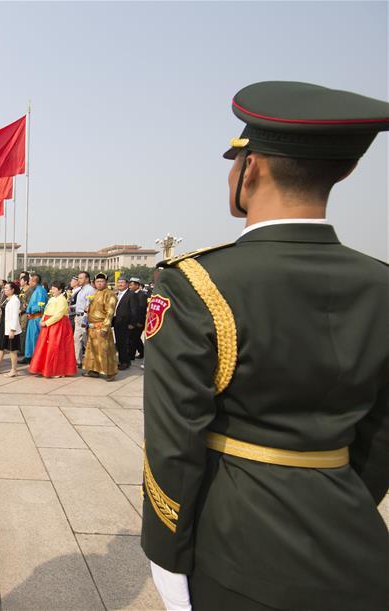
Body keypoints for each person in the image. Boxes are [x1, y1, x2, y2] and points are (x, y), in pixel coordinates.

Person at [141, 81, 389, 611]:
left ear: (250, 170)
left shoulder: (197, 284)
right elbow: (380, 434)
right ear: (343, 171)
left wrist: (166, 555)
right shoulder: (380, 284)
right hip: (357, 544)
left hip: (237, 550)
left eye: (235, 161)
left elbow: (172, 442)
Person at [29, 280, 76, 378]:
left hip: (57, 325)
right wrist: (42, 320)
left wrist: (46, 323)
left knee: (55, 347)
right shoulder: (52, 299)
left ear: (60, 290)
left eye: (54, 289)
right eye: (52, 288)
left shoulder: (62, 300)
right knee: (45, 346)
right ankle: (44, 368)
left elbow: (58, 315)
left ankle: (56, 370)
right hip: (48, 325)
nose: (52, 290)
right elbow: (46, 311)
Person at [81, 273, 118, 380]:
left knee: (105, 350)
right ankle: (94, 370)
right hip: (92, 327)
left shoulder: (110, 294)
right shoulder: (95, 293)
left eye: (102, 281)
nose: (99, 283)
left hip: (101, 326)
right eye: (97, 282)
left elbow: (110, 312)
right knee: (92, 351)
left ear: (106, 282)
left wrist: (105, 327)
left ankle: (110, 372)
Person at [0, 281, 22, 377]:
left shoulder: (15, 300)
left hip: (10, 327)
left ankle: (14, 370)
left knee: (12, 349)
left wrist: (13, 330)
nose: (5, 290)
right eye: (4, 288)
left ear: (12, 290)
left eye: (7, 288)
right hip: (4, 325)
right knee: (1, 346)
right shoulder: (7, 299)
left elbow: (15, 316)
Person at [112, 276, 140, 370]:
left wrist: (132, 323)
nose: (120, 284)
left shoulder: (131, 294)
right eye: (118, 282)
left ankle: (125, 362)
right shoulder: (117, 294)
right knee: (119, 343)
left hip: (126, 323)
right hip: (117, 322)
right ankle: (122, 360)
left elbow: (135, 310)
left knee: (124, 343)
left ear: (127, 284)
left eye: (122, 282)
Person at [20, 273, 47, 364]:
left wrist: (31, 308)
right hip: (32, 318)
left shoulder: (40, 291)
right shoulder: (36, 290)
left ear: (34, 281)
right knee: (30, 338)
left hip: (36, 318)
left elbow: (40, 305)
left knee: (35, 338)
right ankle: (29, 356)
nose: (29, 282)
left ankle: (34, 357)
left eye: (30, 280)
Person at [72, 271, 95, 366]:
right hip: (78, 316)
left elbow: (89, 305)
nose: (79, 280)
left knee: (86, 340)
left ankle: (92, 361)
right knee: (76, 339)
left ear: (87, 279)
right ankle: (78, 361)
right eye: (78, 278)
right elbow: (80, 304)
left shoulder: (90, 290)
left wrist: (85, 319)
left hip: (84, 318)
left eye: (81, 278)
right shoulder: (81, 290)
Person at [128, 277, 148, 359]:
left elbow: (142, 309)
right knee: (135, 338)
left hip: (139, 321)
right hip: (132, 320)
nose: (130, 286)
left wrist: (139, 322)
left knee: (134, 338)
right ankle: (142, 352)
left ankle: (131, 355)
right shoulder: (131, 294)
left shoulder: (142, 295)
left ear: (137, 285)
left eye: (131, 285)